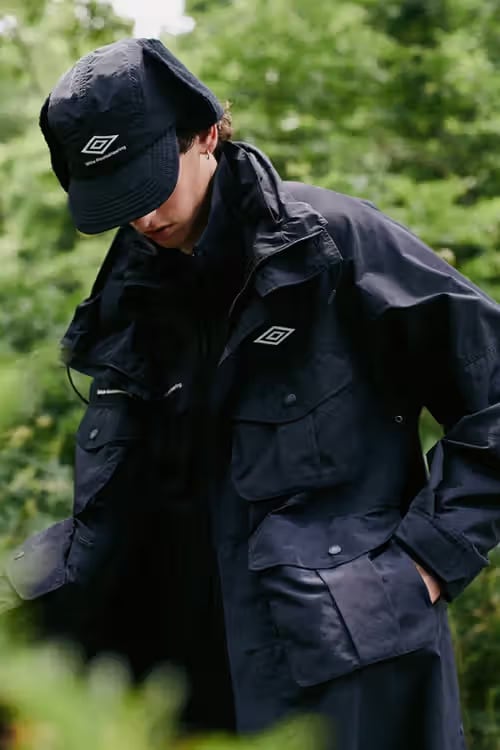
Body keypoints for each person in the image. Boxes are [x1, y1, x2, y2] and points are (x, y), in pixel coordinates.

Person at [5, 36, 500, 749]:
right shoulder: (128, 301)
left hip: (348, 679)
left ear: (207, 134)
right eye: (116, 199)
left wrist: (426, 560)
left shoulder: (336, 245)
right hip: (181, 691)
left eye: (148, 185)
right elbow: (121, 512)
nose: (141, 218)